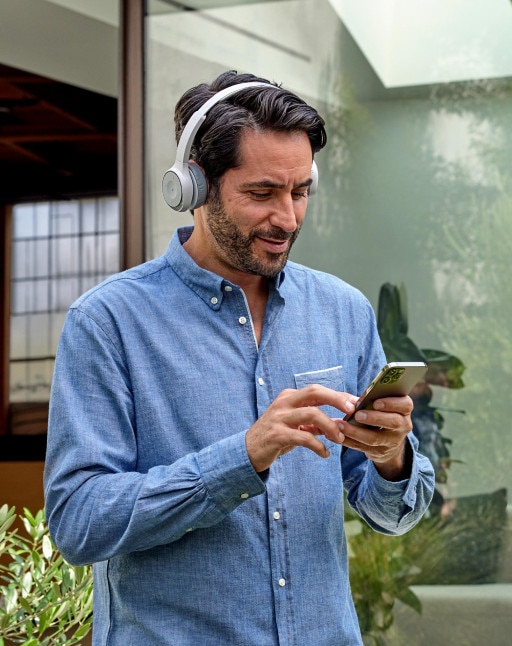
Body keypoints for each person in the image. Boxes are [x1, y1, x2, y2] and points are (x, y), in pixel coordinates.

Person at [44, 70, 435, 645]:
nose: (289, 218)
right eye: (262, 194)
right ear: (194, 186)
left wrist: (390, 458)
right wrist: (242, 458)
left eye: (300, 191)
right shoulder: (107, 324)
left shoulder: (342, 311)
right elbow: (79, 522)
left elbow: (391, 511)